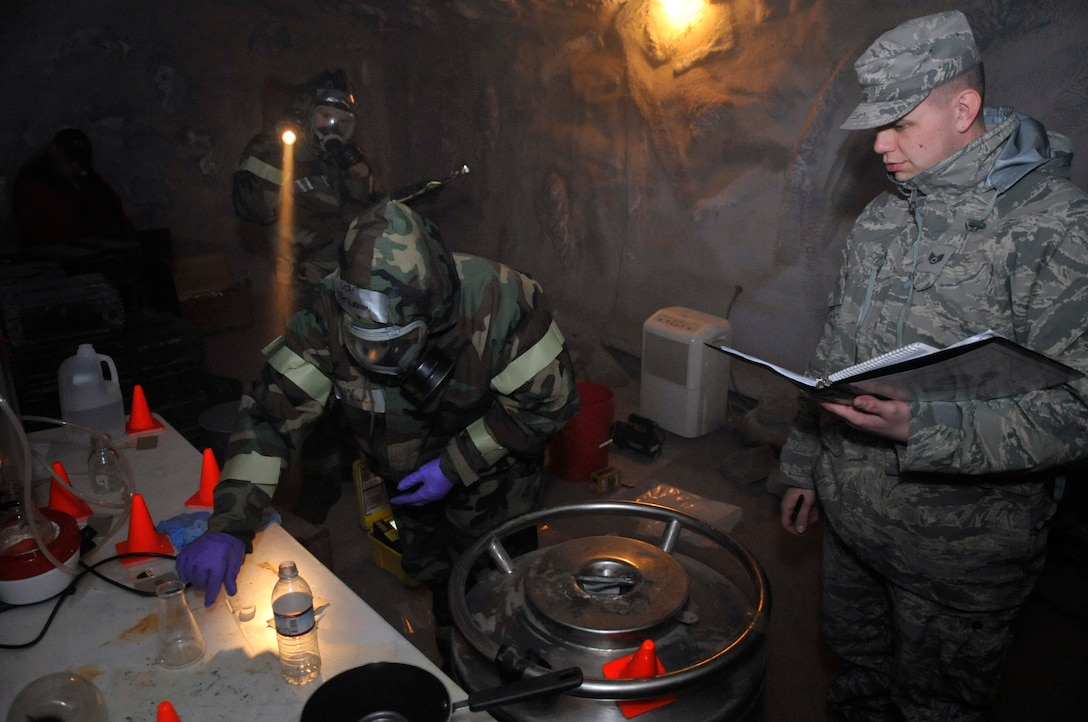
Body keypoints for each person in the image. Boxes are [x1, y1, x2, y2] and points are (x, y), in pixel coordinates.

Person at [776, 11, 1088, 721]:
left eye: (899, 122)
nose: (880, 145)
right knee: (857, 682)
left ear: (964, 108)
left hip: (957, 561)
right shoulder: (884, 222)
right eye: (876, 126)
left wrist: (923, 426)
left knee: (935, 707)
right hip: (853, 530)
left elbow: (1078, 411)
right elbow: (836, 355)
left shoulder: (1055, 228)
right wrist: (803, 464)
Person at [176, 198, 580, 659]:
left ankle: (503, 672)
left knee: (498, 587)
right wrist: (230, 525)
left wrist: (454, 466)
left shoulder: (502, 300)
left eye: (393, 346)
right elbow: (271, 415)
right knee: (437, 580)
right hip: (406, 482)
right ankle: (456, 664)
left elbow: (551, 403)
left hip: (495, 474)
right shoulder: (326, 311)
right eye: (363, 347)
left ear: (434, 308)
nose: (376, 363)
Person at [233, 69, 384, 522]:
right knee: (306, 392)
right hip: (303, 296)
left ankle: (349, 469)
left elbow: (376, 214)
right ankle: (315, 489)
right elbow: (248, 205)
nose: (332, 129)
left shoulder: (351, 161)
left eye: (342, 120)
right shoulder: (276, 151)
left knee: (358, 387)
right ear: (305, 115)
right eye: (324, 117)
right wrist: (279, 153)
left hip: (352, 293)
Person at [13, 128, 135, 247]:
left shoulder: (91, 180)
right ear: (54, 152)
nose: (76, 166)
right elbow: (49, 234)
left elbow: (116, 211)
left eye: (81, 161)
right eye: (70, 159)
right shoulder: (35, 184)